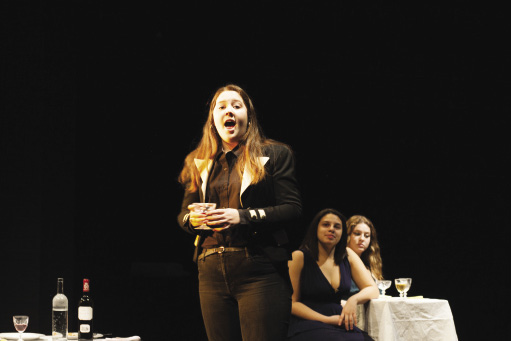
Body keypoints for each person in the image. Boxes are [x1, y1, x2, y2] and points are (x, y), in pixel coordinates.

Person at [177, 84, 302, 341]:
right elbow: (183, 215)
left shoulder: (275, 154)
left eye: (236, 105)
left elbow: (292, 209)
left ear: (249, 115)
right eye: (221, 107)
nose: (228, 111)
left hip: (259, 267)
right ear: (213, 119)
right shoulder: (198, 161)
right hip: (210, 267)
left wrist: (241, 216)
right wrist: (194, 220)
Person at [287, 208, 379, 341]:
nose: (331, 229)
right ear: (315, 229)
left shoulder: (348, 256)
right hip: (308, 321)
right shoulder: (299, 257)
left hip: (339, 321)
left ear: (342, 233)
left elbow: (372, 289)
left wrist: (353, 300)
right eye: (326, 225)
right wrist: (326, 319)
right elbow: (292, 303)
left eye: (337, 226)